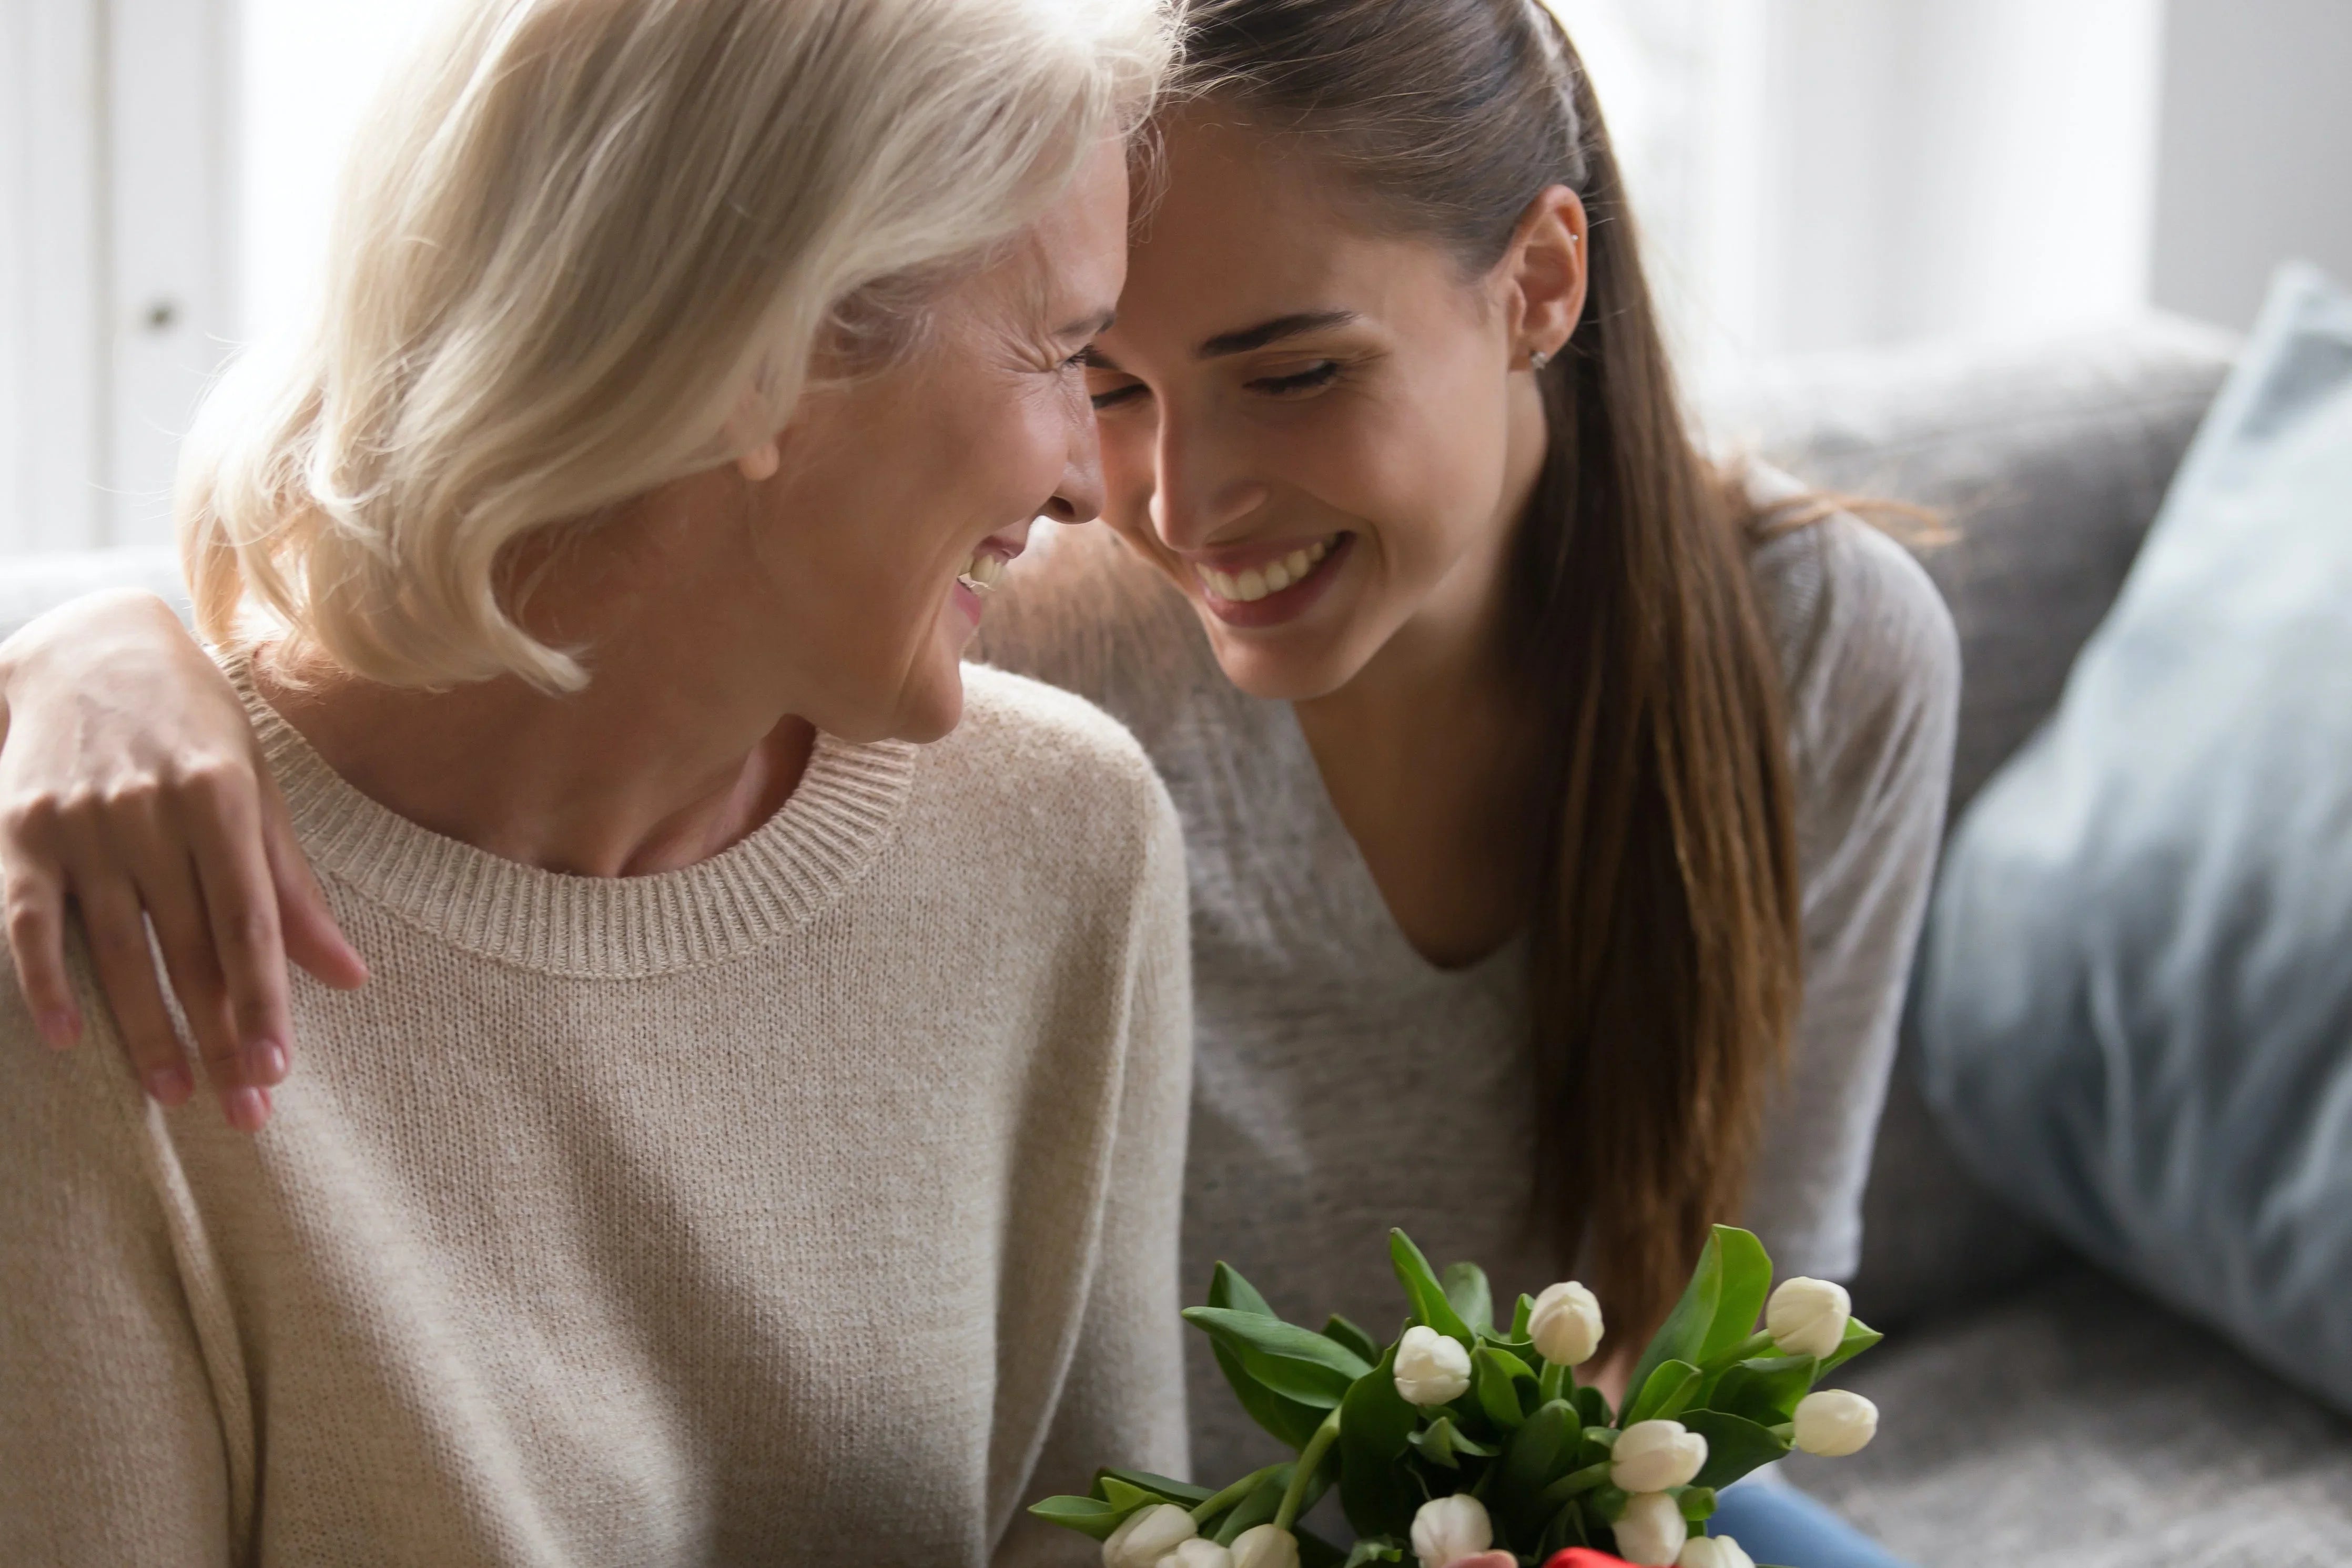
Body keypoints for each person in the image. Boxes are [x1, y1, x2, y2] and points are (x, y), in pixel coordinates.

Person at [0, 1, 1955, 1562]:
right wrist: (76, 652)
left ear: (1540, 286)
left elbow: (1742, 1314)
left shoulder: (1046, 799)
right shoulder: (1013, 654)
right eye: (1090, 367)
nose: (1143, 499)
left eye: (1292, 371)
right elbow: (520, 569)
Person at [0, 1, 1192, 1564]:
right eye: (1055, 350)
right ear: (771, 347)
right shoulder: (109, 913)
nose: (1087, 483)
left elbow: (1103, 1533)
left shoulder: (1067, 843)